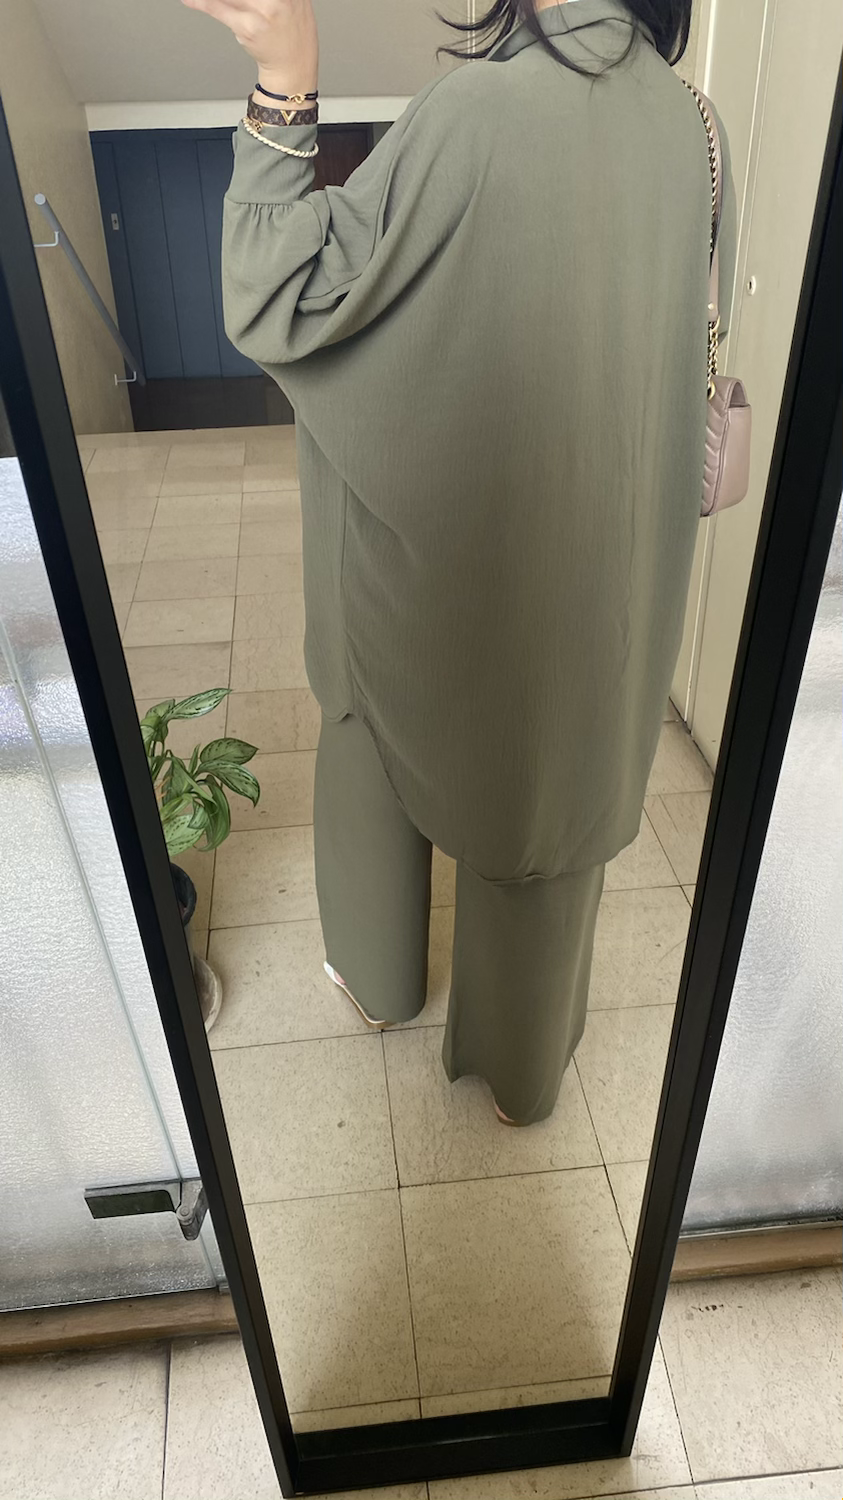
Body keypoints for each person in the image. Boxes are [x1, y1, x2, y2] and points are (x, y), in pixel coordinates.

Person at [183, 0, 735, 1125]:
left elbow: (281, 294)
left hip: (438, 563)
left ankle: (379, 978)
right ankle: (520, 1070)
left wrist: (286, 82)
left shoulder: (471, 113)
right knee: (551, 789)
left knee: (377, 724)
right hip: (603, 573)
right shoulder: (696, 126)